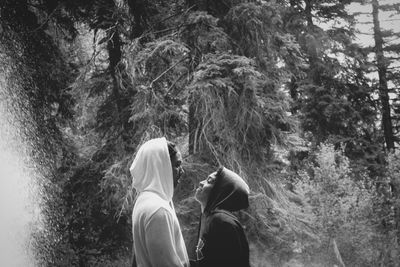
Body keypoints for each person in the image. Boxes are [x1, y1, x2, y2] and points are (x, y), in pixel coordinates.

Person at [130, 137, 189, 267]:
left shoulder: (144, 200)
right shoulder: (158, 211)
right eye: (177, 165)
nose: (182, 171)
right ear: (161, 166)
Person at [192, 166, 251, 267]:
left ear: (220, 191)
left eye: (209, 181)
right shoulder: (208, 218)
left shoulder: (222, 223)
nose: (201, 182)